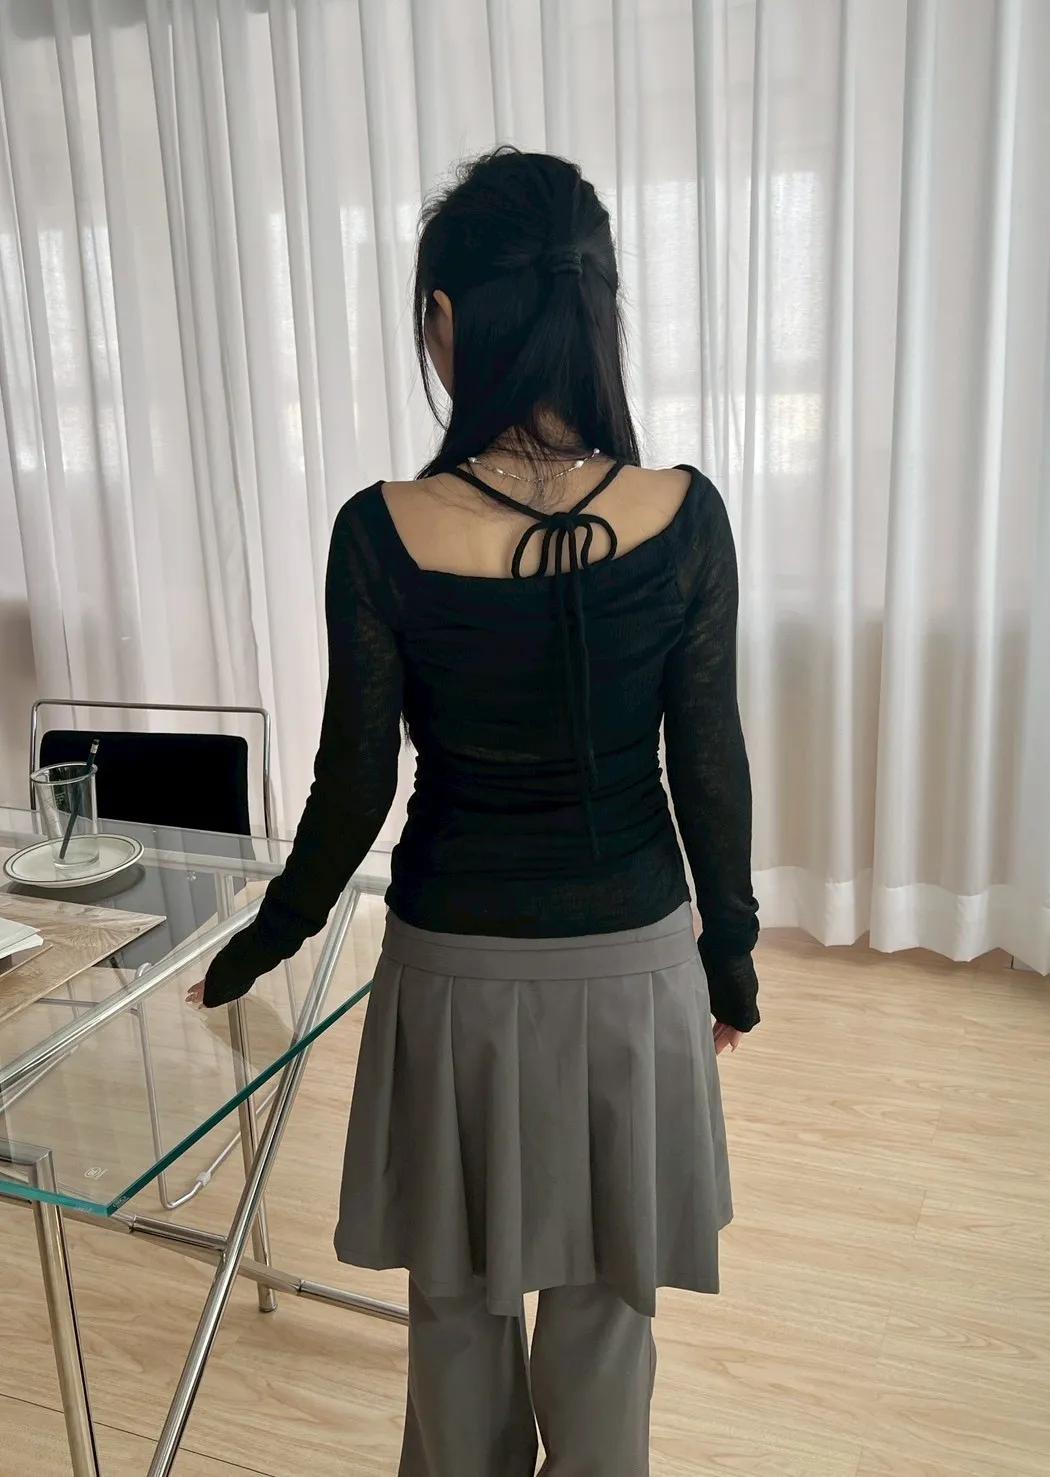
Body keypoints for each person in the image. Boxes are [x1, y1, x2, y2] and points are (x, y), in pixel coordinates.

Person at [190, 147, 759, 1477]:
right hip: (633, 970)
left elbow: (355, 787)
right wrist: (729, 961)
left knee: (455, 1316)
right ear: (595, 312)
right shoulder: (685, 516)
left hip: (451, 976)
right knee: (609, 1315)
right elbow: (709, 767)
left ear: (447, 317)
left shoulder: (382, 529)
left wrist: (266, 939)